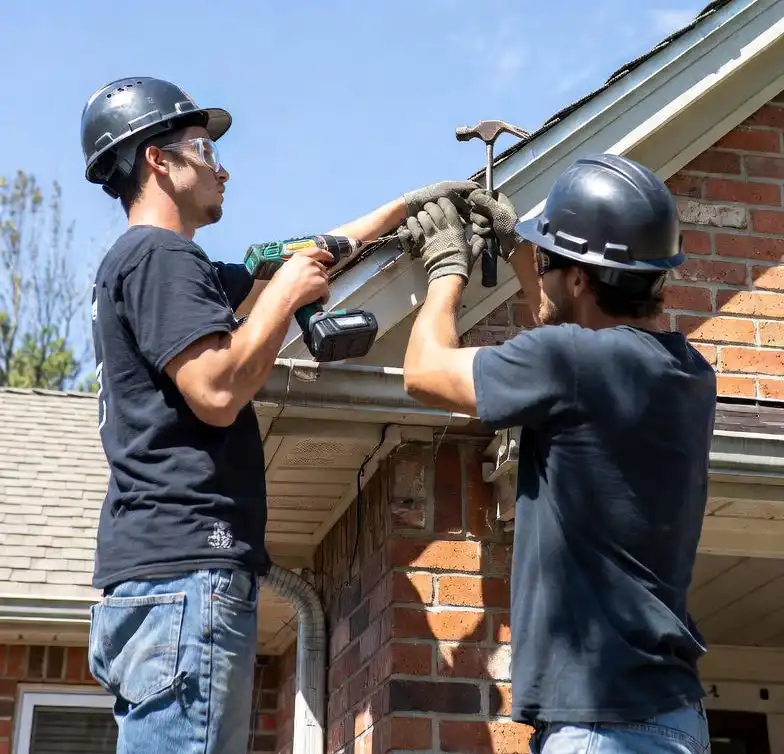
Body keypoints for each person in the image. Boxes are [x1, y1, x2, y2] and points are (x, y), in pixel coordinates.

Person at [79, 75, 479, 753]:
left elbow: (282, 265)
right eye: (203, 148)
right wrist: (284, 293)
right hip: (186, 573)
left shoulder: (156, 268)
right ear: (157, 160)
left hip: (158, 581)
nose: (221, 167)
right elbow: (216, 389)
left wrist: (401, 210)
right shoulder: (160, 256)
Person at [400, 153, 716, 753]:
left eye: (549, 263)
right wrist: (526, 253)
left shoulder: (573, 363)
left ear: (577, 278)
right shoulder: (688, 371)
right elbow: (570, 339)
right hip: (671, 718)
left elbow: (424, 372)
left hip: (603, 724)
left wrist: (447, 265)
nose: (539, 273)